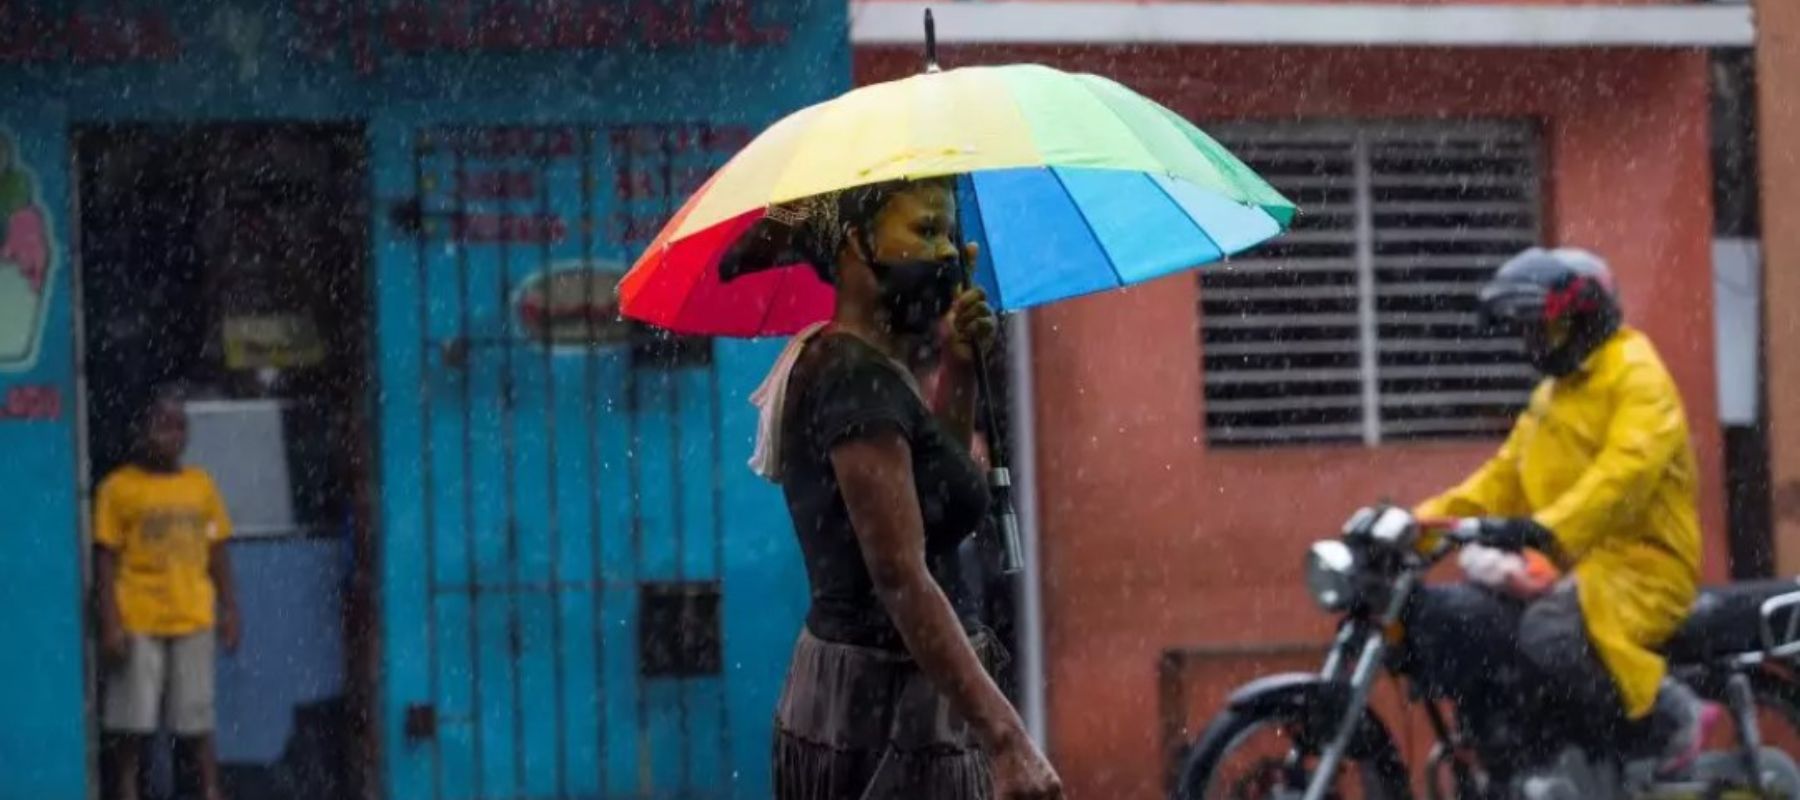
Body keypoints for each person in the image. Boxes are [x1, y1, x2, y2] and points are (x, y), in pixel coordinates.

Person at [743, 178, 1061, 799]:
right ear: (856, 245)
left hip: (893, 705)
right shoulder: (854, 379)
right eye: (924, 230)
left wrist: (960, 367)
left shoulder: (874, 366)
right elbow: (900, 575)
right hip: (883, 722)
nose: (948, 253)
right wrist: (1008, 740)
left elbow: (932, 499)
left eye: (948, 232)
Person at [1411, 247, 1708, 782]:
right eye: (1526, 332)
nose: (1532, 344)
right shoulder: (1555, 394)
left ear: (1586, 318)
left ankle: (1665, 721)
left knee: (1550, 632)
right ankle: (1535, 757)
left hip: (1645, 569)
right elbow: (1501, 478)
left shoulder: (1637, 376)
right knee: (1470, 622)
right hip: (1576, 565)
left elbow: (1622, 477)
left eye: (1541, 330)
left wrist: (1547, 528)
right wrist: (1417, 527)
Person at [95, 386, 241, 800]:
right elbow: (105, 558)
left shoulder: (201, 486)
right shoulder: (118, 488)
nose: (170, 436)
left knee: (197, 718)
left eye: (179, 427)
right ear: (142, 431)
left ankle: (211, 790)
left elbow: (218, 551)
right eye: (161, 426)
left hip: (192, 616)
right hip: (138, 618)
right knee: (133, 722)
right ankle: (126, 790)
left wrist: (230, 609)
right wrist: (110, 623)